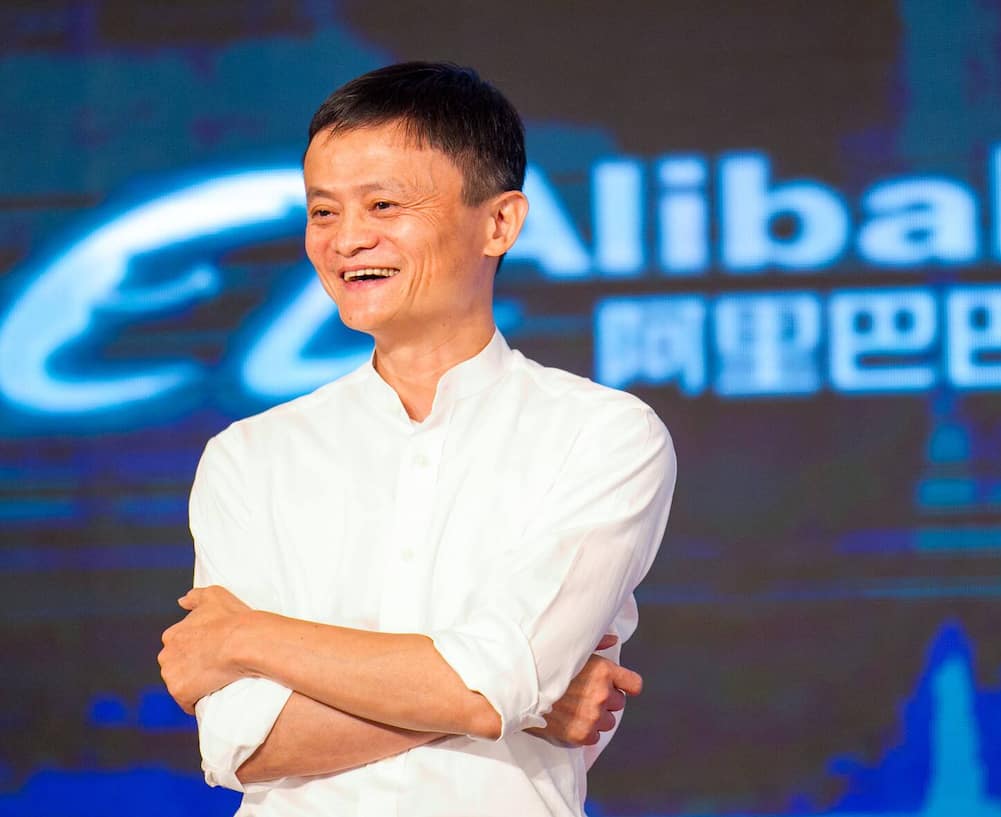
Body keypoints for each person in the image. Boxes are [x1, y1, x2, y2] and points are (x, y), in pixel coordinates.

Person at [157, 62, 676, 816]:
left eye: (384, 204)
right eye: (324, 212)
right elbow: (242, 742)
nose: (347, 239)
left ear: (499, 223)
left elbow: (489, 679)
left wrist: (249, 637)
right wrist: (520, 704)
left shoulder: (600, 434)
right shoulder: (251, 455)